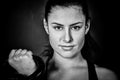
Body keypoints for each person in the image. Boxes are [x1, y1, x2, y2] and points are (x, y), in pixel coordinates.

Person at [2, 0, 118, 80]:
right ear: (46, 26)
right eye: (58, 27)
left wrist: (32, 75)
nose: (67, 39)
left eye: (76, 27)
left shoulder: (106, 76)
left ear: (86, 26)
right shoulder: (23, 68)